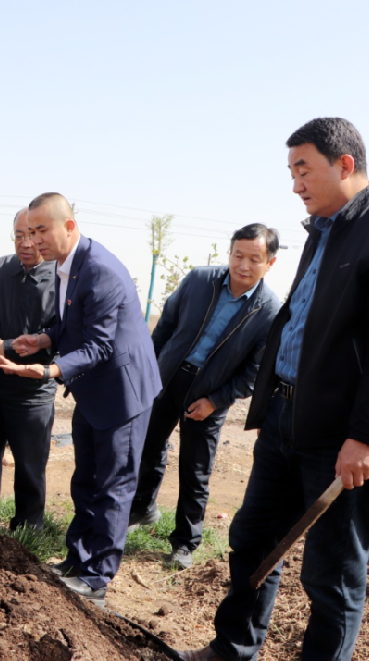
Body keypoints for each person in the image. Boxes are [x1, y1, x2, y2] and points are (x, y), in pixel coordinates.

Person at [177, 119, 369, 661]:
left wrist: (368, 437)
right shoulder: (323, 229)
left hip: (340, 438)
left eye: (302, 169)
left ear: (343, 164)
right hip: (286, 419)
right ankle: (233, 648)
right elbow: (301, 322)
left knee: (332, 575)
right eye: (291, 171)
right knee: (252, 539)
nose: (294, 184)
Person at [13, 192, 160, 607]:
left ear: (69, 227)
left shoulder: (100, 271)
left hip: (122, 393)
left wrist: (47, 370)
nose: (35, 239)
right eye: (29, 231)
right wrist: (44, 339)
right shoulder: (66, 266)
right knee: (86, 480)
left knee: (114, 486)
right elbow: (71, 327)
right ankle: (77, 561)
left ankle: (98, 577)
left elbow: (96, 345)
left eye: (42, 230)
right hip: (94, 390)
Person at [130, 224, 281, 570]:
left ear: (269, 263)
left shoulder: (270, 311)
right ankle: (143, 506)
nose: (243, 265)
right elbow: (165, 326)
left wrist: (215, 401)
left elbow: (256, 372)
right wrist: (150, 369)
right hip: (168, 378)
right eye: (238, 255)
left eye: (254, 259)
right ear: (229, 253)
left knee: (196, 468)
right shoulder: (200, 280)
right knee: (149, 445)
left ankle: (185, 542)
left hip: (211, 394)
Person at [0, 208, 57, 529]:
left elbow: (60, 333)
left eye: (33, 235)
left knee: (30, 466)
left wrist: (6, 348)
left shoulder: (60, 278)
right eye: (19, 235)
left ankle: (28, 530)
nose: (26, 243)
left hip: (32, 392)